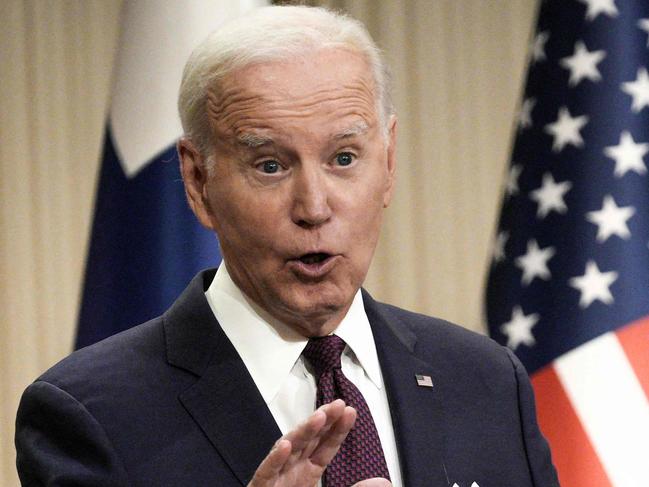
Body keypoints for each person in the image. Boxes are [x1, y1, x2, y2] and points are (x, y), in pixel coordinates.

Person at [15, 5, 559, 487]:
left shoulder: (487, 382)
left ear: (389, 162)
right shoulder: (90, 416)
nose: (314, 207)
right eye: (270, 165)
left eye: (344, 158)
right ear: (198, 181)